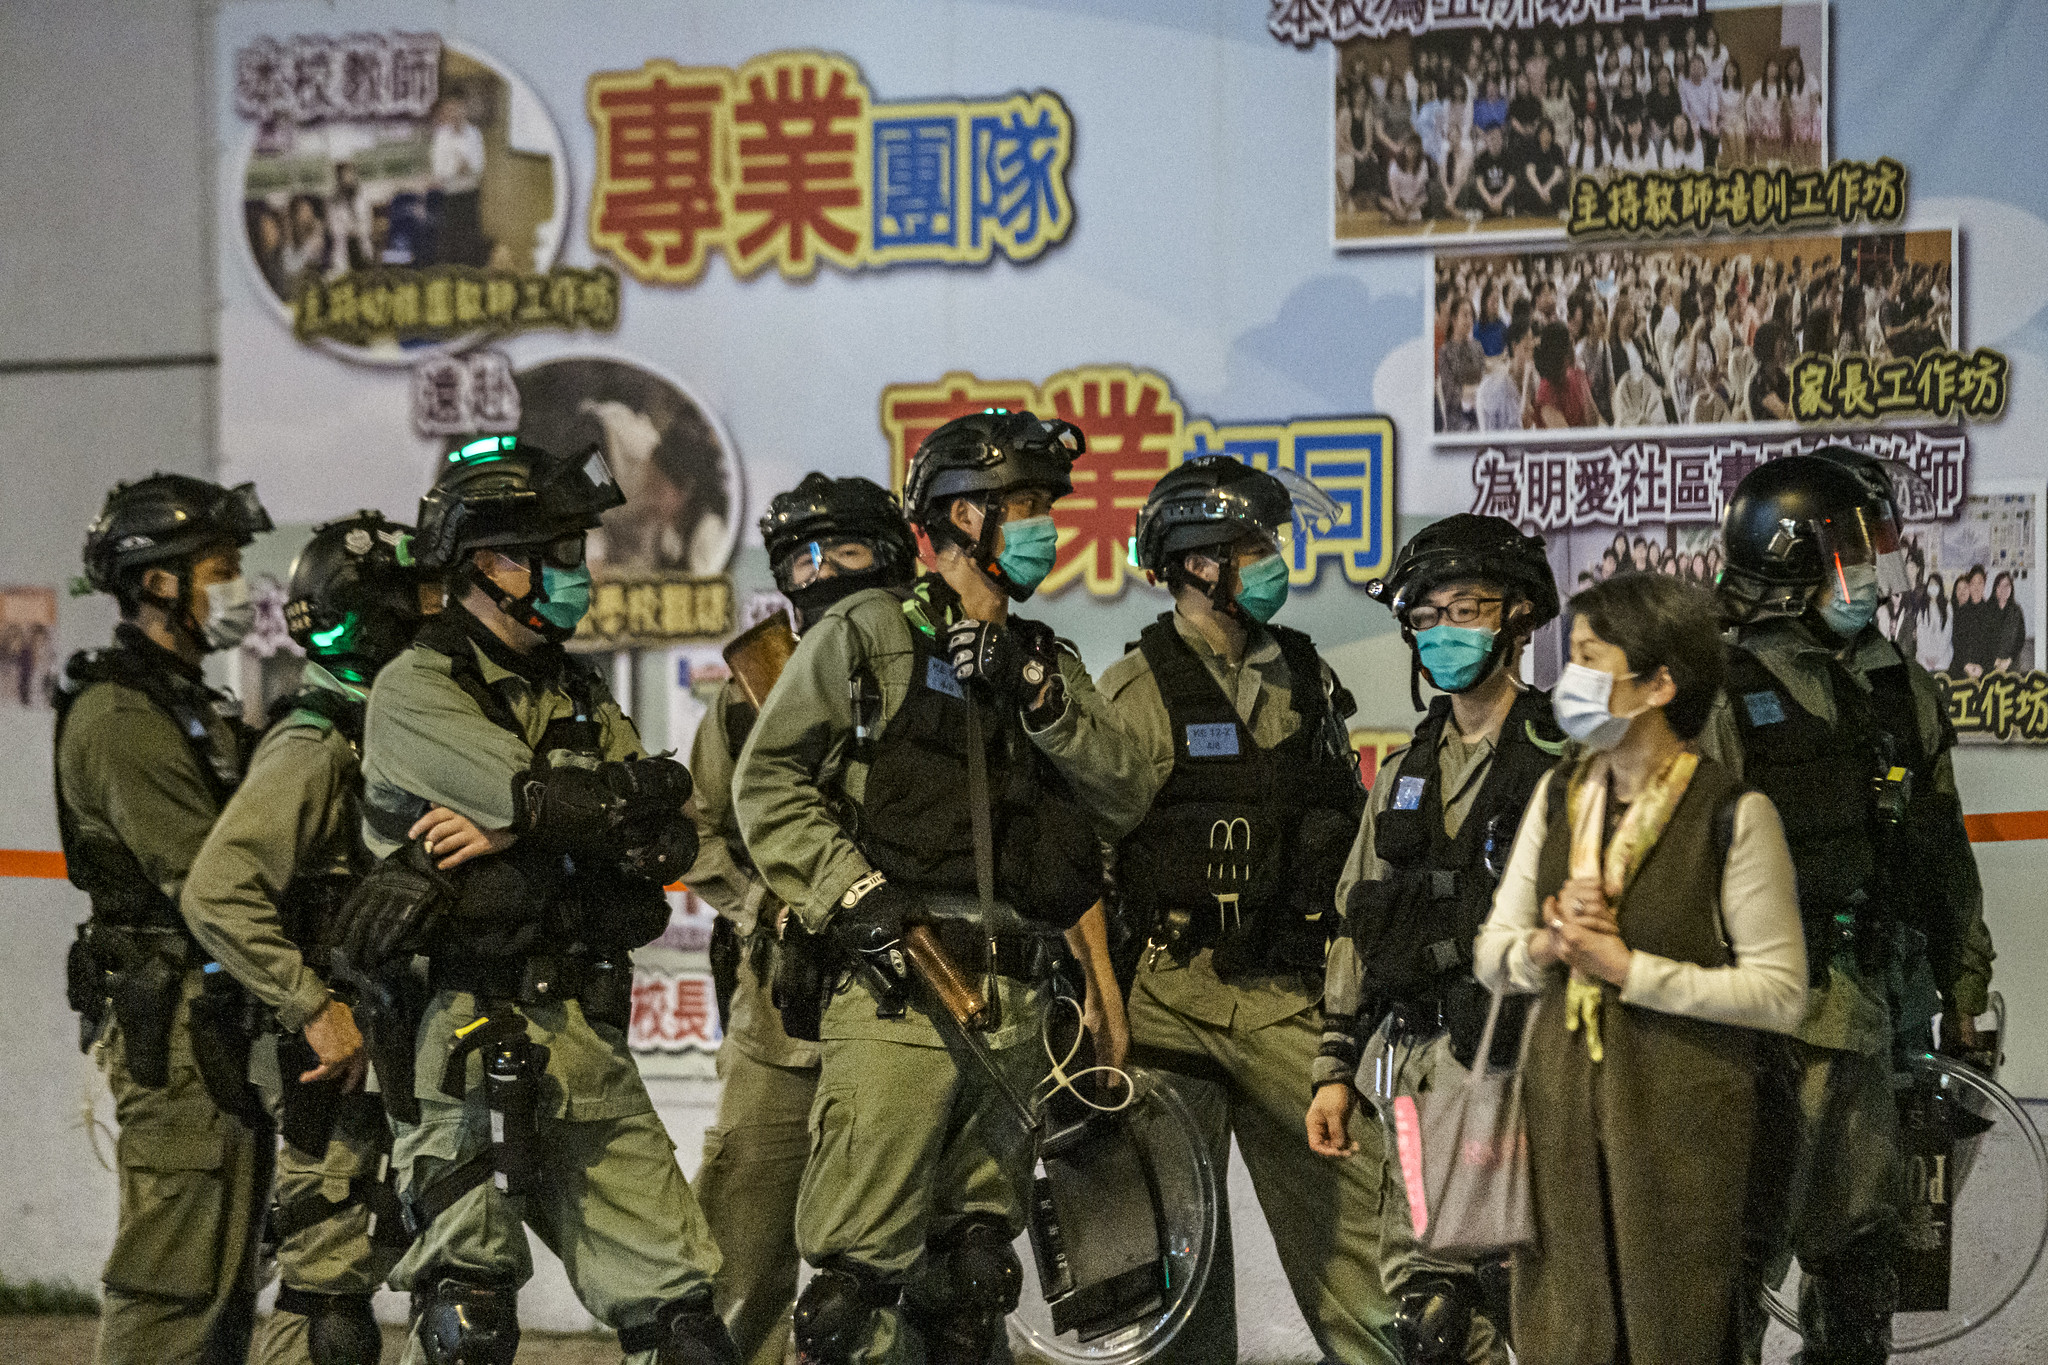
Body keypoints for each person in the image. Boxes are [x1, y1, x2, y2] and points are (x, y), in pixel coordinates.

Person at [733, 410, 1129, 1365]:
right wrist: (853, 891)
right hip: (900, 992)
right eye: (1020, 506)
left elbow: (1123, 788)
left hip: (1016, 1003)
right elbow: (768, 782)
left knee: (973, 1280)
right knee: (849, 1297)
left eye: (1044, 505)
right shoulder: (873, 632)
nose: (1042, 526)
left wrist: (1039, 698)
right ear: (958, 518)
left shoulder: (1047, 660)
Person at [356, 436, 735, 1365]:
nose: (577, 573)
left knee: (685, 1327)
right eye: (553, 554)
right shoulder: (415, 687)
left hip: (582, 1031)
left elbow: (669, 826)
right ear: (485, 565)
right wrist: (564, 809)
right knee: (467, 1325)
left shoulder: (572, 688)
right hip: (460, 1034)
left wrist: (530, 820)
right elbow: (572, 803)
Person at [1079, 457, 1394, 1365]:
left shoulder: (1301, 670)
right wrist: (1101, 992)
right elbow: (1089, 859)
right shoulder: (1137, 686)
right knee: (1179, 1263)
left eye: (1269, 544)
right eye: (1250, 547)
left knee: (1364, 1232)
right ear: (1197, 563)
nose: (1270, 561)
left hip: (1282, 991)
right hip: (1169, 995)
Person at [1707, 452, 1995, 1365]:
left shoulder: (1896, 687)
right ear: (1799, 560)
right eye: (1859, 548)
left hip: (1877, 1016)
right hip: (1755, 1029)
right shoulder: (1711, 691)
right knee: (1731, 1259)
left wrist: (1964, 984)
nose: (1875, 567)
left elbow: (1941, 853)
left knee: (1865, 1255)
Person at [1476, 571, 1807, 1363]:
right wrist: (1548, 947)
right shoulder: (1559, 796)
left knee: (1676, 1331)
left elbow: (1781, 993)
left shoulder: (1734, 813)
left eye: (1593, 658)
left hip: (1681, 1130)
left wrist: (1630, 968)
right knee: (1565, 1329)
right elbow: (1493, 954)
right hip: (1558, 1120)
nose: (1571, 679)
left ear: (1660, 682)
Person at [1308, 517, 1564, 1365]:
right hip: (1423, 1074)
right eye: (1427, 614)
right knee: (1431, 1318)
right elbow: (1358, 920)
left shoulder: (1567, 758)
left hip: (1537, 1074)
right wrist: (1334, 1068)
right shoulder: (1407, 770)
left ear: (1518, 616)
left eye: (1468, 607)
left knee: (1555, 1310)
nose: (1445, 629)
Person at [180, 512, 433, 1365]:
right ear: (377, 615)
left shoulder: (387, 733)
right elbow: (217, 891)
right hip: (335, 1058)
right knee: (325, 1292)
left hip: (390, 1043)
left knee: (387, 1269)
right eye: (418, 599)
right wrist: (312, 1006)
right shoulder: (318, 740)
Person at [686, 475, 919, 1365]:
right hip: (780, 1019)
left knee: (879, 1284)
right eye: (800, 558)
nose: (819, 572)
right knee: (735, 1264)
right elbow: (703, 826)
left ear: (890, 559)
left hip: (905, 1012)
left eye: (843, 553)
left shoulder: (931, 679)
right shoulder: (749, 698)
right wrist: (761, 904)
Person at [57, 473, 275, 1364]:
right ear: (158, 582)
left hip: (215, 1024)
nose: (238, 587)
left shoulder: (193, 706)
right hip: (175, 1028)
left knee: (222, 1276)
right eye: (220, 568)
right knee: (172, 1285)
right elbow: (207, 879)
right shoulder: (119, 715)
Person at [428, 93, 488, 267]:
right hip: (451, 197)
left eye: (458, 108)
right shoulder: (441, 136)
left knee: (470, 241)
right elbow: (438, 170)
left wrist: (468, 166)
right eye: (450, 110)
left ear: (465, 109)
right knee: (451, 243)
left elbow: (480, 166)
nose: (454, 113)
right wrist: (456, 169)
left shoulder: (474, 134)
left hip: (470, 194)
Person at [1437, 293, 1487, 432]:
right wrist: (1475, 392)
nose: (1469, 320)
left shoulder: (1477, 347)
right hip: (1458, 417)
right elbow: (1451, 393)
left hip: (1480, 410)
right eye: (1465, 315)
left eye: (1471, 315)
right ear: (1454, 319)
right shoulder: (1445, 352)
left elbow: (1484, 380)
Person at [1477, 312, 1534, 431]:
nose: (1531, 355)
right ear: (1514, 347)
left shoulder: (1534, 378)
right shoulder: (1502, 384)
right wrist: (1526, 383)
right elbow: (1520, 426)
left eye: (1532, 349)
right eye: (1526, 348)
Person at [1533, 321, 1596, 427]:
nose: (1574, 349)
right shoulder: (1546, 393)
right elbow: (1566, 439)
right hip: (1565, 443)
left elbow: (1594, 422)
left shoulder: (1577, 376)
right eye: (1571, 344)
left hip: (1585, 440)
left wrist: (1583, 382)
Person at [1461, 122, 1515, 220]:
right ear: (1486, 139)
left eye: (1498, 137)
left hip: (1503, 195)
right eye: (1492, 138)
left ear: (1502, 139)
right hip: (1487, 196)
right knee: (1474, 200)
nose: (1495, 141)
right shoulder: (1481, 159)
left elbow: (1511, 181)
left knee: (1514, 200)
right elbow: (1479, 183)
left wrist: (1500, 198)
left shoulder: (1508, 156)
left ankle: (1504, 211)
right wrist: (1489, 200)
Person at [1517, 120, 1567, 218]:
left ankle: (1555, 210)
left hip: (1550, 187)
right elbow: (1530, 172)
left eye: (1548, 132)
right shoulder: (1532, 148)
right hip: (1537, 186)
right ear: (1538, 134)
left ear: (1552, 135)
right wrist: (1541, 191)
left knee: (1561, 188)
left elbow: (1558, 172)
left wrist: (1547, 189)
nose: (1545, 136)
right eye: (1543, 133)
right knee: (1524, 191)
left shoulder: (1557, 149)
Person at [1679, 51, 1720, 166]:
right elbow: (1684, 108)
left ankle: (1709, 168)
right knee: (1692, 137)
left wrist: (1713, 123)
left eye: (1699, 66)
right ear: (1689, 68)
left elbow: (1713, 104)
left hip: (1707, 120)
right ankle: (1695, 168)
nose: (1696, 68)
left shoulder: (1709, 83)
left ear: (1703, 69)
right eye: (1693, 66)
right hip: (1691, 120)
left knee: (1714, 135)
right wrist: (1692, 123)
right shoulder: (1684, 85)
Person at [1785, 51, 1823, 167]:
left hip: (1813, 119)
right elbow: (1788, 107)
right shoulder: (1787, 86)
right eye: (1790, 69)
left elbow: (1814, 100)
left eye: (1796, 68)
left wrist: (1809, 122)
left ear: (1801, 68)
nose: (1793, 71)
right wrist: (1794, 120)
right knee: (1799, 154)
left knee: (1813, 154)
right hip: (1798, 121)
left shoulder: (1810, 79)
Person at [1749, 320, 1792, 420]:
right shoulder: (1760, 383)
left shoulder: (1781, 377)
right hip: (1768, 433)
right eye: (1780, 341)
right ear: (1769, 345)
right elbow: (1784, 414)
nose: (1784, 346)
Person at [1987, 570, 2027, 672]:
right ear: (1995, 588)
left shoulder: (2017, 611)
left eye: (2007, 586)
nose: (2003, 589)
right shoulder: (1987, 609)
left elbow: (2020, 639)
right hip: (1990, 662)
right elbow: (1983, 638)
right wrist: (1994, 660)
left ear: (2011, 588)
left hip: (2011, 663)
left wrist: (2009, 660)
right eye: (1999, 586)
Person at [1748, 58, 1786, 164]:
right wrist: (1760, 122)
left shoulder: (1781, 86)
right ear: (1766, 69)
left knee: (1775, 149)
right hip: (1760, 120)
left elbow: (1779, 107)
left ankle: (1774, 168)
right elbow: (1755, 107)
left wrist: (1775, 121)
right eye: (1770, 67)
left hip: (1774, 120)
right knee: (1761, 148)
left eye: (1775, 67)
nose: (1773, 70)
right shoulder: (1757, 86)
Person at [1917, 571, 1954, 674]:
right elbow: (1920, 634)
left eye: (1936, 584)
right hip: (1924, 657)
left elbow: (1947, 633)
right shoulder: (1923, 607)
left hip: (1942, 657)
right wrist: (1926, 657)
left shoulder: (1947, 606)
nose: (1933, 587)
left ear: (1940, 587)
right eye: (1931, 584)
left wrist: (1937, 657)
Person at [1718, 58, 1749, 167]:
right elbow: (1719, 108)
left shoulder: (1741, 88)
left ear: (1736, 72)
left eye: (1733, 70)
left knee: (1740, 134)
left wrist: (1738, 119)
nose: (1730, 72)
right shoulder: (1719, 88)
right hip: (1725, 119)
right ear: (1725, 71)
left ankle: (1743, 165)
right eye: (1728, 70)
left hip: (1738, 118)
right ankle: (1735, 166)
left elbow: (1742, 108)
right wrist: (1727, 118)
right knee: (1731, 135)